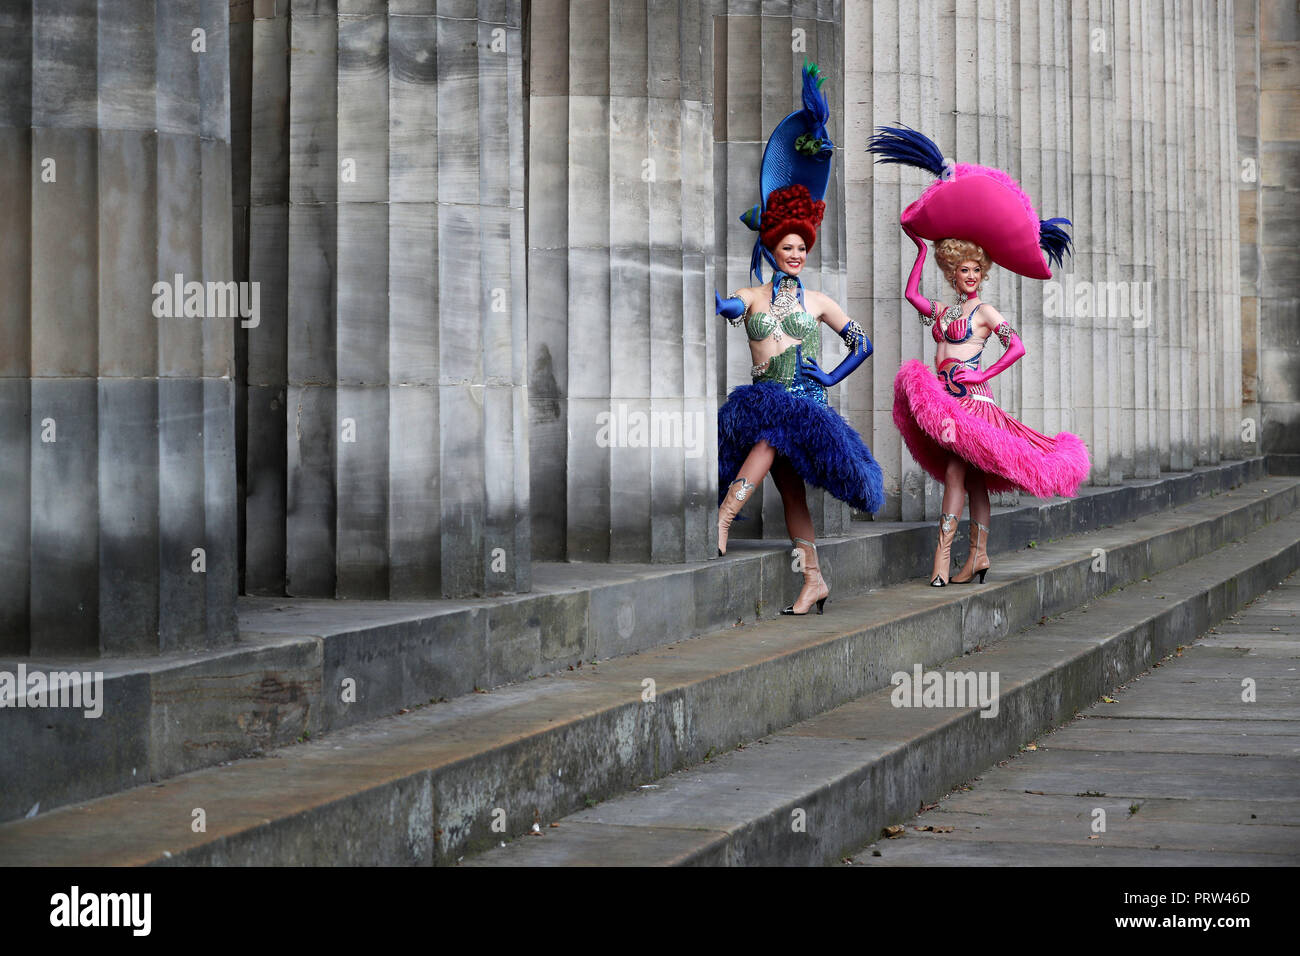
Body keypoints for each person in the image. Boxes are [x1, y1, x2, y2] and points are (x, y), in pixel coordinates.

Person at [869, 125, 1090, 586]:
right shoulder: (946, 308)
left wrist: (981, 374)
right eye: (962, 269)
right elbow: (912, 294)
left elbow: (1018, 346)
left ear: (983, 273)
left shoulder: (986, 311)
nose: (969, 276)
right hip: (945, 400)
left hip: (973, 403)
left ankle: (943, 562)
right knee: (971, 480)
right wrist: (917, 248)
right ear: (953, 270)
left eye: (976, 270)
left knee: (960, 473)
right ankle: (977, 558)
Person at [714, 64, 884, 616]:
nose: (794, 254)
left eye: (800, 248)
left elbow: (863, 344)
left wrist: (831, 376)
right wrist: (727, 306)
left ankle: (723, 517)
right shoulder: (754, 295)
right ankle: (813, 579)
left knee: (769, 439)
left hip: (806, 408)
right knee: (790, 493)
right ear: (772, 248)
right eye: (785, 246)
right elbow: (736, 307)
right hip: (766, 396)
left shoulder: (821, 303)